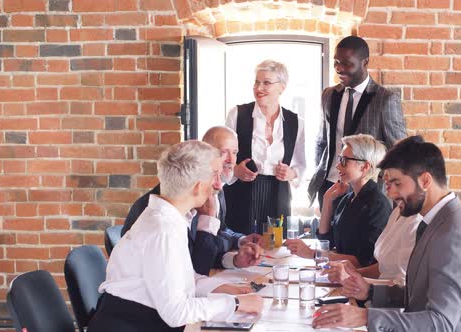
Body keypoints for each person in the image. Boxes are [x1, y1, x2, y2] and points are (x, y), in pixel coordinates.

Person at [312, 136, 461, 332]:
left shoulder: (454, 233)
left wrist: (365, 316)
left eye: (398, 183)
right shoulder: (436, 221)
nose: (391, 193)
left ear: (425, 180)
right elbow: (419, 295)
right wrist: (370, 291)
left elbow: (441, 323)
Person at [89, 141, 263, 331]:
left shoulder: (168, 217)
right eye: (214, 175)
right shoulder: (163, 229)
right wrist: (235, 304)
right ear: (197, 186)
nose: (218, 185)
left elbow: (182, 279)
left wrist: (224, 288)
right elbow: (176, 312)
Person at [121, 126, 262, 275]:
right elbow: (192, 272)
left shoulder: (198, 198)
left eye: (234, 153)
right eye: (222, 153)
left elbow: (199, 252)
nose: (231, 160)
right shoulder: (162, 219)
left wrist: (234, 259)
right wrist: (207, 224)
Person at [308, 35, 407, 208]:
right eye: (336, 62)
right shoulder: (329, 95)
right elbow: (323, 142)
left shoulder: (385, 100)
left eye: (347, 63)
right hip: (329, 187)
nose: (339, 69)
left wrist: (387, 193)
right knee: (325, 235)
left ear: (365, 62)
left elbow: (398, 154)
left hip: (365, 194)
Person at [224, 59, 306, 235]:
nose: (259, 88)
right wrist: (235, 171)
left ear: (282, 87)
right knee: (240, 247)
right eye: (256, 82)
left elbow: (301, 164)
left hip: (278, 194)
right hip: (241, 193)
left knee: (275, 248)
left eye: (266, 83)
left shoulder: (295, 122)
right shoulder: (237, 114)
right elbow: (220, 157)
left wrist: (291, 173)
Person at [285, 134, 391, 267]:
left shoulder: (378, 206)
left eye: (344, 161)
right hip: (339, 275)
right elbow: (327, 241)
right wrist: (327, 199)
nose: (338, 166)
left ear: (364, 167)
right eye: (340, 159)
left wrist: (311, 253)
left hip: (360, 282)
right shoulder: (348, 199)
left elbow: (363, 261)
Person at [321, 195, 422, 285]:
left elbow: (403, 286)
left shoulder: (417, 221)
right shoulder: (397, 212)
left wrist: (350, 277)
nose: (389, 193)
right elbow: (384, 267)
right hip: (373, 296)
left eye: (397, 182)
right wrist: (355, 272)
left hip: (387, 302)